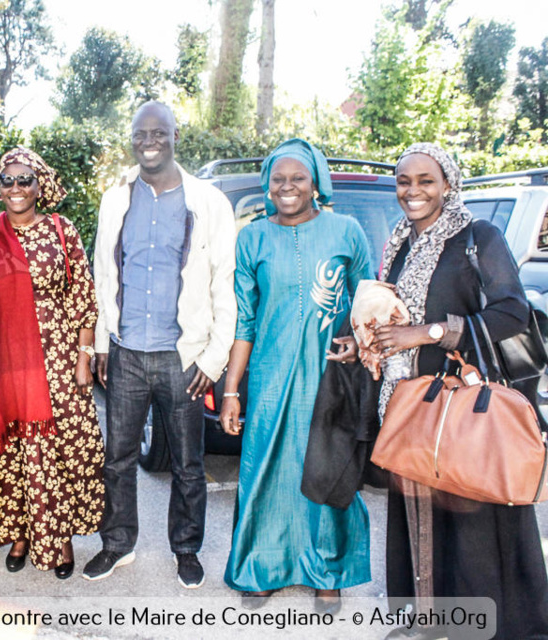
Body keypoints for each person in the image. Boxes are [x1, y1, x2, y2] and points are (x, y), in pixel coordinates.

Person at [370, 143, 548, 639]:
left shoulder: (478, 236)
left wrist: (428, 333)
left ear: (448, 183)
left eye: (426, 180)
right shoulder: (400, 243)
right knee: (419, 512)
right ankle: (427, 620)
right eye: (404, 181)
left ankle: (489, 626)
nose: (413, 191)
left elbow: (511, 311)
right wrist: (368, 339)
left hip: (465, 403)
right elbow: (395, 314)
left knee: (472, 515)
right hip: (411, 401)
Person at [85, 101, 236, 589]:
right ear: (132, 138)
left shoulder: (208, 202)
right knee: (118, 458)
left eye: (159, 133)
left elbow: (223, 283)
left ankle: (186, 549)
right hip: (126, 351)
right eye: (140, 133)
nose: (149, 141)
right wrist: (103, 343)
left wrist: (213, 360)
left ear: (175, 136)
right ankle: (117, 544)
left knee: (189, 464)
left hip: (183, 356)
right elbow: (104, 271)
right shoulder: (117, 198)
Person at [219, 138, 372, 612]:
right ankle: (261, 569)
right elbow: (245, 319)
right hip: (269, 376)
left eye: (297, 178)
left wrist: (359, 340)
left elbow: (370, 299)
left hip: (330, 377)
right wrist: (231, 392)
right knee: (266, 469)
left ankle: (327, 569)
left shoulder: (347, 231)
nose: (287, 187)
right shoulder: (252, 238)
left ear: (315, 183)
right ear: (268, 186)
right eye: (278, 179)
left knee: (327, 466)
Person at [0, 147, 105, 580]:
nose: (15, 188)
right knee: (13, 444)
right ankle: (21, 533)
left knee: (62, 446)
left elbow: (82, 296)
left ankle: (62, 537)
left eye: (24, 180)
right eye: (8, 180)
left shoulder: (61, 229)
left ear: (40, 185)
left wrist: (83, 356)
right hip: (6, 355)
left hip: (56, 352)